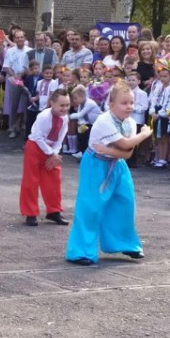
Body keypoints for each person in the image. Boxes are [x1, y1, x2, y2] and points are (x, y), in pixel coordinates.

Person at [65, 83, 153, 265]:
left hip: (117, 164)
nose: (129, 106)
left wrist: (112, 150)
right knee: (90, 206)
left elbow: (128, 153)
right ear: (111, 104)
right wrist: (144, 134)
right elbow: (127, 145)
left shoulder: (129, 122)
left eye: (131, 102)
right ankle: (80, 251)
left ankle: (125, 244)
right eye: (124, 103)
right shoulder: (104, 120)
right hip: (96, 163)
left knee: (125, 202)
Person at [20, 89, 71, 226]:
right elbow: (37, 137)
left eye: (67, 105)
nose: (65, 108)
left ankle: (54, 211)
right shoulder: (43, 116)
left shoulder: (65, 118)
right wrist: (51, 153)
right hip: (35, 147)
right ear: (52, 104)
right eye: (62, 105)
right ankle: (30, 213)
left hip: (50, 150)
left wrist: (54, 154)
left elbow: (60, 139)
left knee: (54, 179)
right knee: (31, 181)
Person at [2, 28, 32, 138]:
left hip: (25, 80)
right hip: (13, 80)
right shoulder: (10, 51)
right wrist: (15, 76)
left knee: (25, 105)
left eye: (21, 37)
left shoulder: (30, 51)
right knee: (13, 105)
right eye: (17, 37)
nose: (19, 39)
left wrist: (22, 74)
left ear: (24, 38)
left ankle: (23, 127)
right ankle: (12, 128)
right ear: (14, 39)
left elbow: (30, 65)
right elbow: (6, 66)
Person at [148, 65, 170, 168]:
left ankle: (164, 158)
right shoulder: (158, 88)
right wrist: (153, 112)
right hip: (156, 113)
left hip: (164, 115)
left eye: (165, 76)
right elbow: (153, 100)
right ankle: (158, 157)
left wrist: (160, 114)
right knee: (157, 137)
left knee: (164, 137)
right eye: (161, 76)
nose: (163, 78)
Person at [69, 85, 102, 159]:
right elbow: (80, 117)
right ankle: (83, 152)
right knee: (81, 135)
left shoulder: (89, 103)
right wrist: (80, 126)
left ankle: (86, 154)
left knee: (86, 138)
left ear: (83, 96)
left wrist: (68, 117)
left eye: (76, 98)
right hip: (88, 123)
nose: (74, 100)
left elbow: (80, 114)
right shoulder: (81, 104)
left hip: (96, 124)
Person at [125, 71, 150, 168]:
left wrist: (132, 108)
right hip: (126, 118)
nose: (131, 82)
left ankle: (132, 160)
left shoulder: (142, 93)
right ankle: (126, 159)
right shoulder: (126, 92)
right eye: (129, 80)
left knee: (134, 140)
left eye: (133, 80)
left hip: (136, 119)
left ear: (139, 81)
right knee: (127, 138)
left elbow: (144, 107)